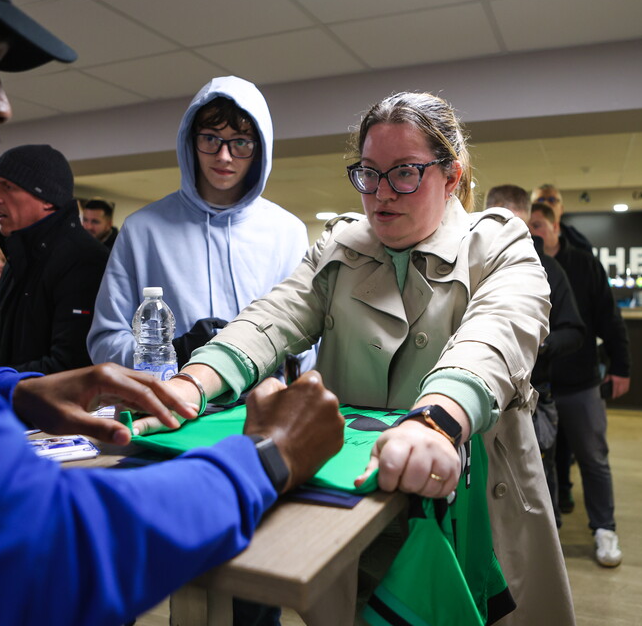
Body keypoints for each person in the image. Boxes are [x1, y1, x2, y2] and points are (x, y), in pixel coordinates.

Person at [0, 0, 345, 625]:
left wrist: (14, 391)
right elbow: (30, 548)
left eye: (240, 143)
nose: (3, 104)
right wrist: (264, 461)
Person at [134, 92, 577, 625]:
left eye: (405, 172)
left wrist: (436, 420)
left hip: (469, 507)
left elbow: (493, 339)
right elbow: (270, 320)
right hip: (352, 504)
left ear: (451, 176)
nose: (381, 193)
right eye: (368, 173)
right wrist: (191, 383)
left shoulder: (500, 244)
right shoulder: (340, 246)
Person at [87, 76, 309, 371]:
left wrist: (267, 359)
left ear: (259, 149)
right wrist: (173, 353)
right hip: (170, 396)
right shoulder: (142, 230)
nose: (224, 156)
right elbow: (105, 341)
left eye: (240, 142)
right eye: (211, 139)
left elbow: (308, 342)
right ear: (191, 141)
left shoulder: (287, 232)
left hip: (264, 397)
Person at [529, 201, 631, 567]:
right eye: (528, 225)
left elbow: (609, 318)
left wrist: (621, 366)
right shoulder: (516, 264)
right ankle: (547, 534)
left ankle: (604, 528)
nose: (533, 232)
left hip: (580, 381)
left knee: (593, 457)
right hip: (537, 386)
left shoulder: (583, 264)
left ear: (555, 227)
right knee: (545, 462)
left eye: (538, 225)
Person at [484, 184, 585, 525]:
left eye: (515, 224)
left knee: (537, 478)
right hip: (484, 395)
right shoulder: (471, 262)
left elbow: (574, 331)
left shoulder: (548, 269)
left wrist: (537, 344)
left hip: (533, 396)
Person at [0, 144, 108, 374]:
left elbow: (70, 368)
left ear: (47, 198)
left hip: (41, 398)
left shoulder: (83, 261)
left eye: (7, 187)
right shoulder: (23, 252)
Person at [531, 183, 593, 251]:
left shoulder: (579, 244)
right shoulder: (523, 239)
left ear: (561, 209)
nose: (546, 204)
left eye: (552, 200)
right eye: (540, 200)